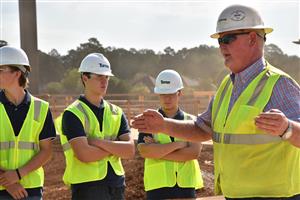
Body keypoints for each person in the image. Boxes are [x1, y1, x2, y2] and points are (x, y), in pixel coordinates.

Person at [132, 4, 300, 199]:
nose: (221, 46)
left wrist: (287, 128)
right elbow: (203, 129)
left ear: (252, 39)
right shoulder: (226, 87)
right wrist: (163, 125)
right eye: (220, 40)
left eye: (227, 38)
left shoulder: (279, 84)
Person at [55, 53, 135, 200]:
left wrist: (97, 142)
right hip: (87, 188)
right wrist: (116, 149)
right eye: (99, 77)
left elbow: (129, 150)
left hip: (117, 186)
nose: (104, 81)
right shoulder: (73, 113)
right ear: (85, 78)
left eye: (107, 77)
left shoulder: (116, 112)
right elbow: (84, 154)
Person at [137, 69, 203, 200]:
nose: (167, 98)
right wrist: (179, 144)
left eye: (171, 94)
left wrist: (158, 151)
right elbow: (145, 152)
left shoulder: (191, 121)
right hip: (157, 187)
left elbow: (194, 153)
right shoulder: (147, 120)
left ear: (180, 93)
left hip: (185, 186)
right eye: (163, 94)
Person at [0, 46, 56, 200]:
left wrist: (18, 174)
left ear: (17, 73)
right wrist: (8, 182)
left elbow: (46, 151)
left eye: (1, 69)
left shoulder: (41, 108)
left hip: (31, 190)